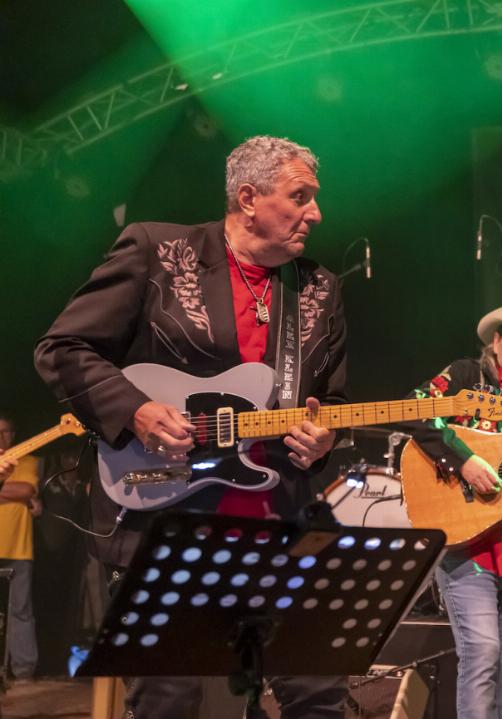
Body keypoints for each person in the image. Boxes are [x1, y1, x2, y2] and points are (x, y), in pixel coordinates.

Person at [34, 135, 348, 718]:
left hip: (278, 524)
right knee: (169, 702)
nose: (316, 214)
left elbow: (329, 401)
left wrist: (322, 441)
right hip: (165, 519)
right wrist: (135, 409)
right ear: (248, 198)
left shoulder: (319, 288)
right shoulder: (158, 251)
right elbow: (63, 349)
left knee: (318, 693)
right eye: (300, 196)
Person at [403, 292, 502, 719]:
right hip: (466, 547)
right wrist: (464, 460)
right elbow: (414, 407)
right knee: (483, 653)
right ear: (495, 340)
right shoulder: (466, 376)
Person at [0, 412, 42, 684]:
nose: (1, 437)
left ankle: (24, 670)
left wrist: (17, 493)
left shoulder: (26, 460)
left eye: (6, 431)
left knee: (20, 611)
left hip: (18, 547)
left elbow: (26, 490)